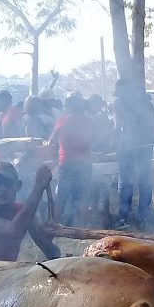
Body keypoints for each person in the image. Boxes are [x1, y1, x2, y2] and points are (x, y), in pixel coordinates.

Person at [0, 162, 61, 262]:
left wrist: (48, 238)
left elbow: (50, 251)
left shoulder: (24, 214)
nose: (2, 189)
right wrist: (38, 187)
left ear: (18, 186)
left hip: (5, 273)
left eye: (7, 183)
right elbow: (14, 230)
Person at [113, 79, 154, 227]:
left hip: (127, 146)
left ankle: (123, 216)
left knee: (125, 180)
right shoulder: (148, 104)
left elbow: (117, 127)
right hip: (144, 145)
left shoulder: (119, 104)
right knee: (144, 178)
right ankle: (144, 214)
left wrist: (112, 143)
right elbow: (153, 126)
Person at [48, 94, 94, 225]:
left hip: (66, 161)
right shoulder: (89, 121)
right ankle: (83, 227)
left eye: (66, 106)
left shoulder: (62, 121)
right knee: (83, 196)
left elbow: (52, 140)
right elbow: (93, 141)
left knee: (62, 195)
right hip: (85, 163)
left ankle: (54, 224)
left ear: (71, 107)